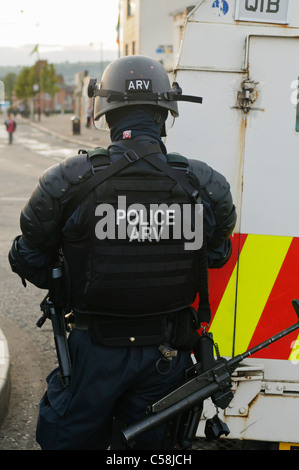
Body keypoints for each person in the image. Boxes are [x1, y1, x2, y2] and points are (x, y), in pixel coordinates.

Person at [8, 55, 236, 450]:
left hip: (93, 351)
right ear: (164, 114)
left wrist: (74, 273)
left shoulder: (65, 182)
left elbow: (26, 257)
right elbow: (216, 255)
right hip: (166, 353)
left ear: (107, 114)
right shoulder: (205, 184)